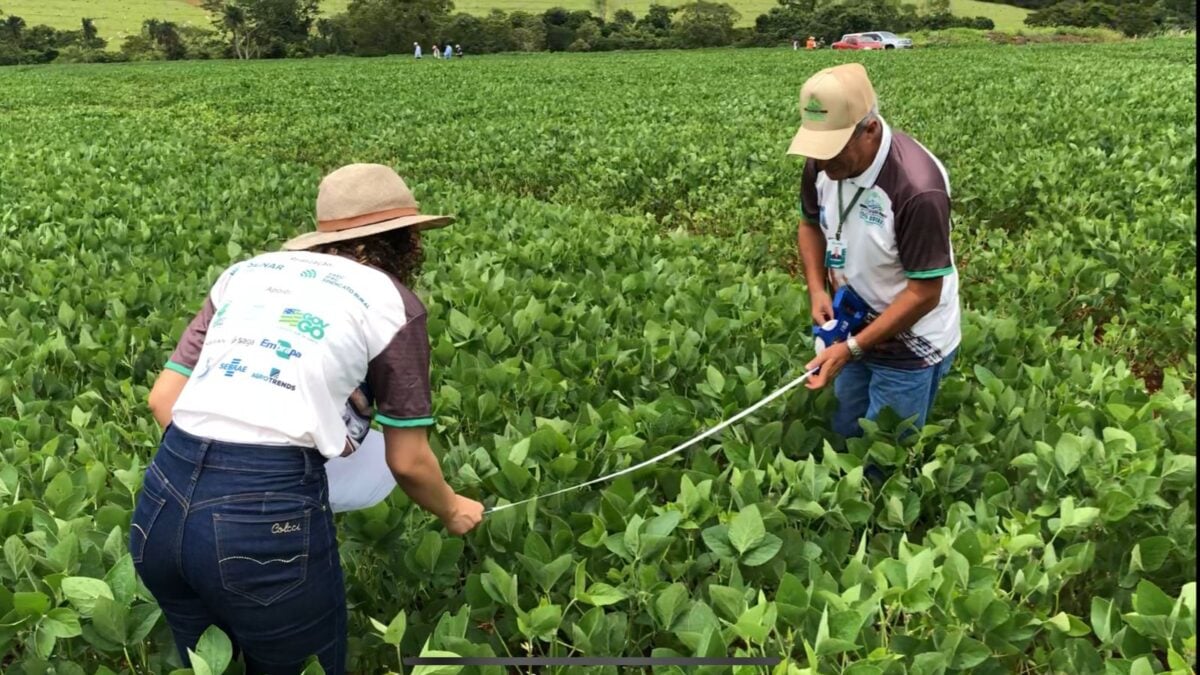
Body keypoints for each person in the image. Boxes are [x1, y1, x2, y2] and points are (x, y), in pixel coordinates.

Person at [130, 163, 485, 674]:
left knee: (211, 667)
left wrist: (215, 477)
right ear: (403, 240)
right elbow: (408, 461)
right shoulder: (393, 303)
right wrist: (453, 510)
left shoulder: (247, 274)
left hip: (160, 503)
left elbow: (163, 398)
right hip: (262, 514)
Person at [787, 63, 961, 450]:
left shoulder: (918, 189)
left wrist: (852, 349)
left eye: (832, 150)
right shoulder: (822, 162)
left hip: (911, 343)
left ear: (869, 129)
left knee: (885, 452)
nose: (822, 163)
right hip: (851, 325)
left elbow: (924, 293)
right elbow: (809, 225)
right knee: (847, 435)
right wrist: (817, 290)